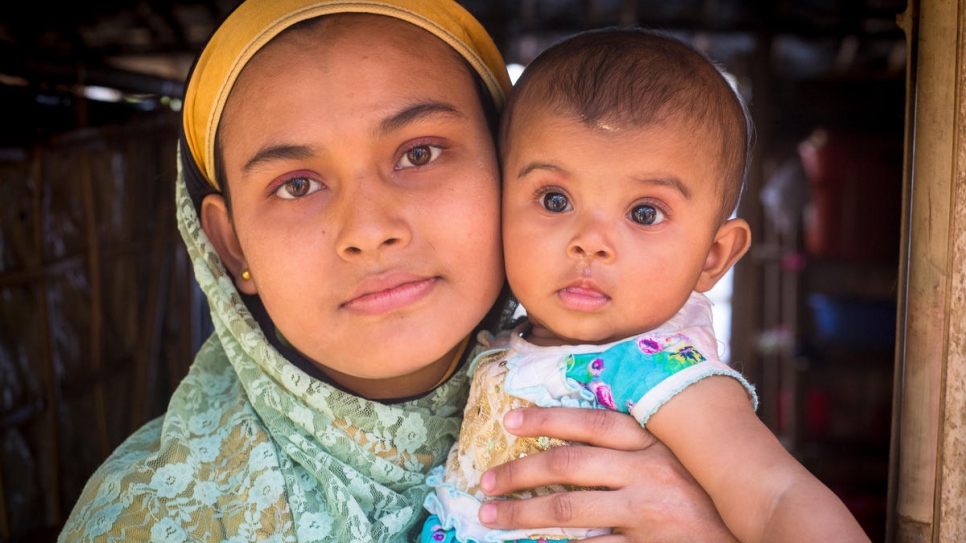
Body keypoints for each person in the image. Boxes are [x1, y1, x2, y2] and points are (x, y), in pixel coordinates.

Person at [58, 2, 743, 542]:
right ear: (232, 246)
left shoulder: (652, 419)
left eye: (419, 153)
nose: (369, 229)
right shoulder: (156, 515)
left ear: (506, 171)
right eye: (296, 184)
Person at [423, 28, 871, 543]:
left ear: (712, 256)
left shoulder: (656, 368)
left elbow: (777, 497)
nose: (590, 242)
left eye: (644, 212)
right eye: (554, 200)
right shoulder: (500, 337)